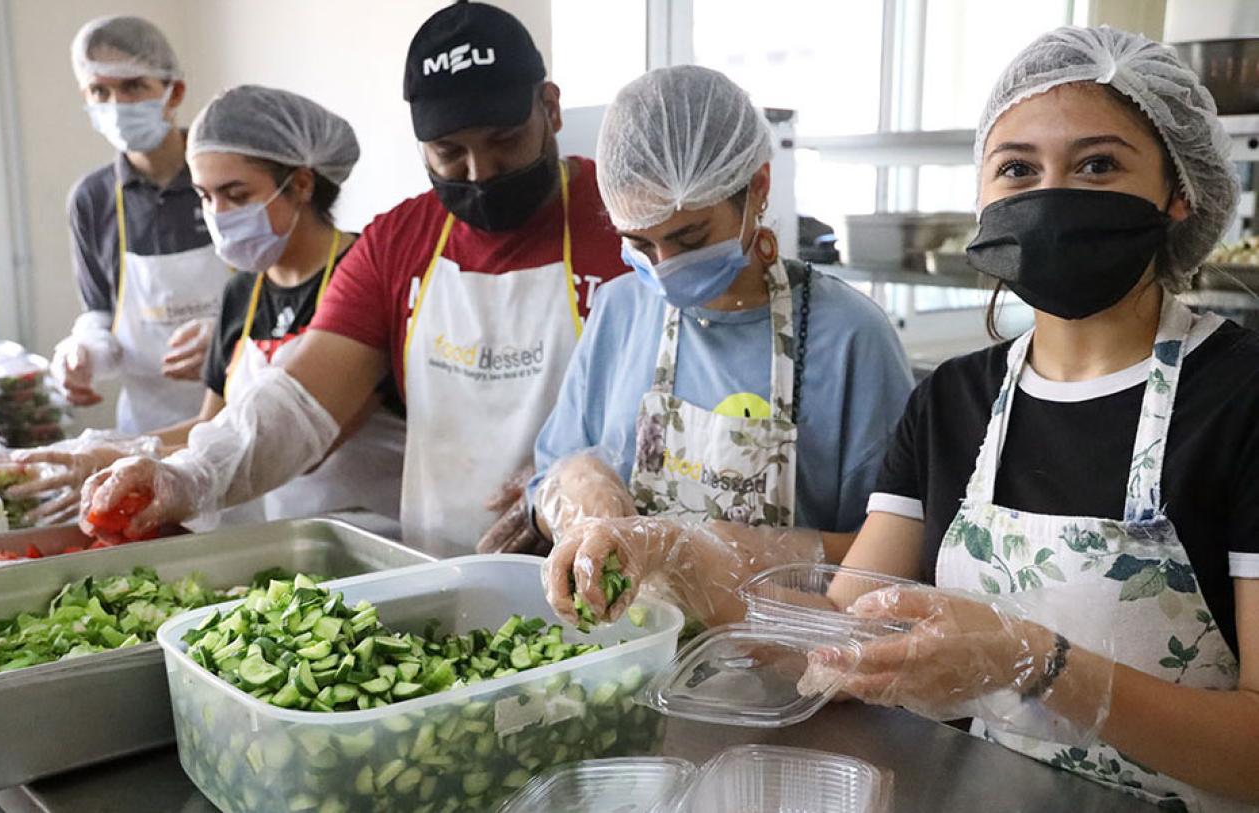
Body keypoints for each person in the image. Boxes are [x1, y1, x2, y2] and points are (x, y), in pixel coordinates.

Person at [547, 26, 1259, 811]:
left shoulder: (1240, 401)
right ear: (984, 199)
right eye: (1017, 167)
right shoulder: (953, 402)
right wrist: (677, 554)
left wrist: (1041, 663)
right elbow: (835, 638)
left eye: (1098, 164)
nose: (1052, 194)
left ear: (1180, 192)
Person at [77, 2, 626, 554]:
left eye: (504, 140)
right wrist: (191, 475)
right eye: (448, 153)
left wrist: (579, 470)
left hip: (604, 570)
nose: (480, 173)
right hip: (441, 573)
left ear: (550, 108)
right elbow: (297, 405)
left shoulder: (628, 225)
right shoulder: (397, 243)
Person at [526, 67, 912, 615]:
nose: (664, 268)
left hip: (786, 670)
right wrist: (579, 495)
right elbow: (547, 478)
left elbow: (902, 554)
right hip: (631, 656)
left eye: (690, 237)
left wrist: (768, 551)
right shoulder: (619, 310)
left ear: (758, 188)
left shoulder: (850, 338)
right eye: (639, 243)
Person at [11, 87, 406, 529]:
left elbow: (298, 446)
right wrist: (114, 451)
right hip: (286, 534)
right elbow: (212, 424)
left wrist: (154, 461)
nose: (218, 214)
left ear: (300, 184)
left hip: (375, 529)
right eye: (204, 196)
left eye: (236, 195)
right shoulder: (242, 293)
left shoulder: (362, 281)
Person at [57, 16, 226, 434]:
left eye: (133, 86)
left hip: (237, 408)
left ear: (174, 92)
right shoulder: (92, 200)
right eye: (100, 91)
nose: (116, 105)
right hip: (146, 422)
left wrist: (230, 339)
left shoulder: (228, 177)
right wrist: (83, 355)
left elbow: (279, 291)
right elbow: (101, 311)